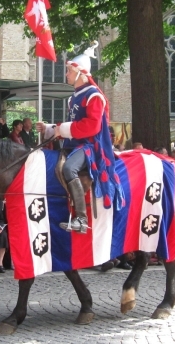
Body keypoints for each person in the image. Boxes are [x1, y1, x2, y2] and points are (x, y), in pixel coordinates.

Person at [36, 44, 119, 233]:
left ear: (81, 73)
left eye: (69, 71)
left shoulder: (94, 96)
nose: (66, 75)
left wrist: (62, 129)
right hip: (74, 144)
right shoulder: (73, 97)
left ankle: (81, 218)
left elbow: (92, 126)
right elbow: (71, 123)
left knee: (68, 168)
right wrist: (51, 128)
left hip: (89, 145)